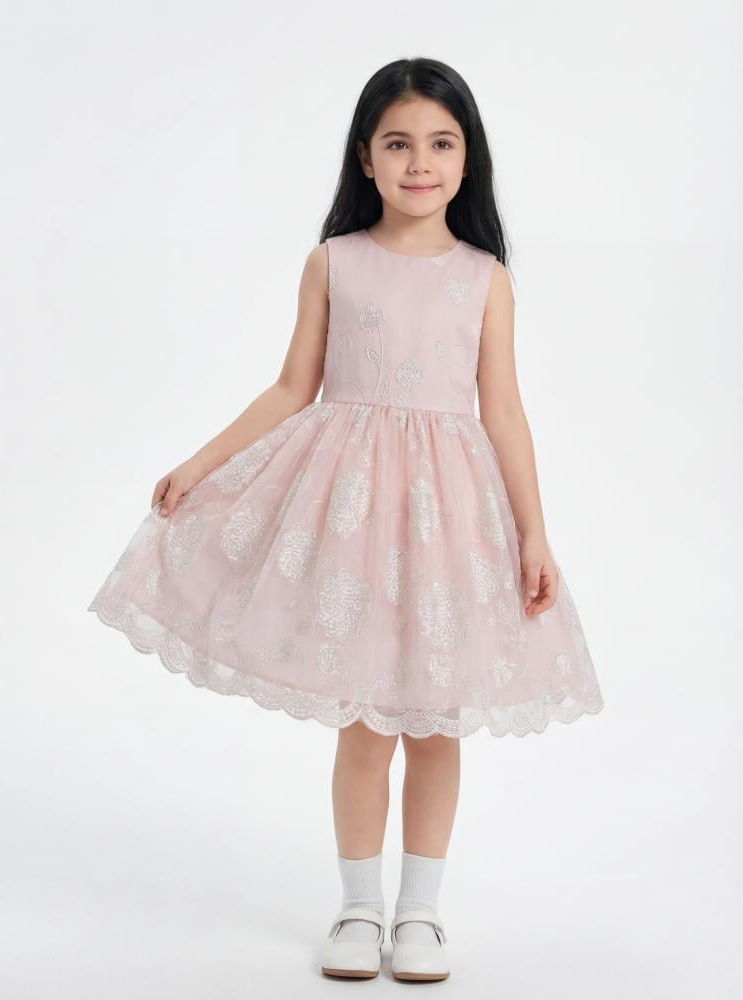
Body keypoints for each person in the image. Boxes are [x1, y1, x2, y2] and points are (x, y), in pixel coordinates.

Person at [88, 56, 604, 982]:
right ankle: (360, 908)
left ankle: (421, 914)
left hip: (450, 524)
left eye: (441, 143)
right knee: (364, 724)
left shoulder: (485, 279)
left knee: (434, 724)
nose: (420, 163)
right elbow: (294, 386)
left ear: (468, 158)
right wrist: (200, 463)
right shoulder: (335, 263)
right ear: (366, 157)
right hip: (355, 518)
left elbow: (503, 410)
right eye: (398, 144)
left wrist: (534, 531)